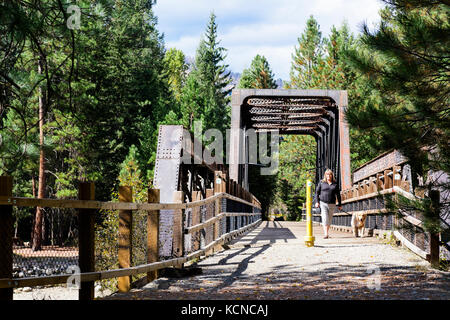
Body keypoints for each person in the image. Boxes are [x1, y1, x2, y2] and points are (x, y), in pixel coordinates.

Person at [315, 169, 342, 239]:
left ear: (332, 175)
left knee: (329, 219)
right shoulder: (321, 183)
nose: (328, 176)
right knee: (325, 218)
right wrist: (317, 202)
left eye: (330, 174)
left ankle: (327, 232)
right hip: (323, 203)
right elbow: (317, 193)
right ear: (325, 175)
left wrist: (340, 204)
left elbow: (338, 195)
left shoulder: (335, 184)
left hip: (332, 204)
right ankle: (326, 234)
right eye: (327, 174)